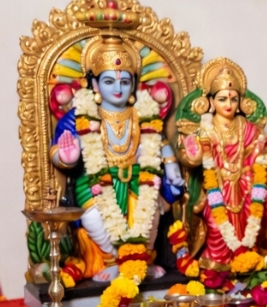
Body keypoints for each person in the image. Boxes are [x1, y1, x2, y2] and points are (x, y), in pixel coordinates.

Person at [51, 33, 184, 280]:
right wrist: (67, 157)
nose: (118, 88)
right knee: (95, 218)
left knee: (150, 215)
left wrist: (171, 163)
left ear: (133, 85)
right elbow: (57, 152)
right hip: (93, 184)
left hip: (138, 179)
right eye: (109, 81)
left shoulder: (143, 114)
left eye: (125, 82)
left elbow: (160, 140)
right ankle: (111, 262)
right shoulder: (79, 115)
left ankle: (142, 262)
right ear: (95, 85)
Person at [177, 58, 267, 276]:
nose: (228, 104)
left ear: (240, 102)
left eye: (233, 99)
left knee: (250, 224)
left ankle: (246, 262)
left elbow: (259, 154)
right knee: (217, 227)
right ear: (210, 102)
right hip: (216, 189)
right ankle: (218, 265)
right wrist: (196, 151)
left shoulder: (247, 128)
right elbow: (190, 159)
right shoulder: (205, 129)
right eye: (222, 99)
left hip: (245, 187)